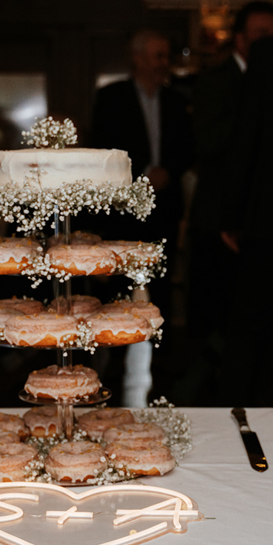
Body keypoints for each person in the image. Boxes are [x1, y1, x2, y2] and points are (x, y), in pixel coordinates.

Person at [90, 29, 195, 406]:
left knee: (162, 284)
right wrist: (137, 177)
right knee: (119, 286)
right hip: (124, 210)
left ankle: (161, 359)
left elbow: (188, 147)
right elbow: (102, 147)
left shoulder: (176, 100)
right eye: (156, 55)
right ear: (136, 58)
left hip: (164, 207)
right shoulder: (112, 97)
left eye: (166, 55)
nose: (162, 63)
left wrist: (169, 169)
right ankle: (115, 358)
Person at [184, 2, 273, 403]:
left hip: (260, 220)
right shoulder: (219, 79)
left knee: (251, 332)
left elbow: (247, 145)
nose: (267, 40)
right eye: (260, 33)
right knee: (223, 321)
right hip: (233, 221)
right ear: (239, 38)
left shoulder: (268, 63)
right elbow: (218, 143)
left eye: (272, 32)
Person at [215, 33, 273, 409]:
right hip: (271, 222)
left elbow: (247, 137)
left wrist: (233, 215)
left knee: (250, 333)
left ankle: (241, 428)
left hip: (272, 221)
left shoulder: (270, 53)